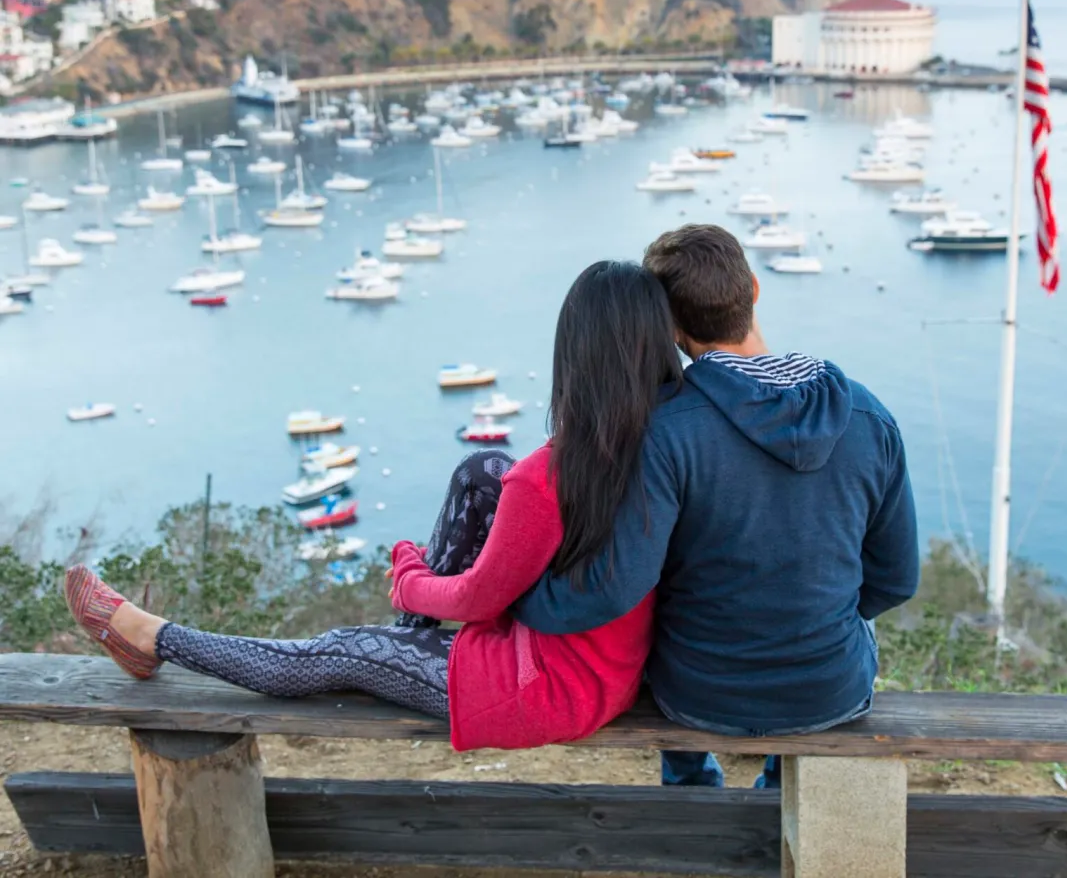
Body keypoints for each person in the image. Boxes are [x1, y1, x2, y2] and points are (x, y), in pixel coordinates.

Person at [65, 260, 682, 753]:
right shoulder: (669, 445)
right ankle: (403, 648)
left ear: (573, 353)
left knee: (331, 653)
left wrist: (411, 583)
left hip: (536, 688)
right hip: (604, 668)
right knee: (479, 471)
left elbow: (478, 601)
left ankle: (150, 635)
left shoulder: (547, 477)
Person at [515, 224, 920, 788]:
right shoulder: (868, 417)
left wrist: (518, 603)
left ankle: (691, 791)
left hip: (699, 694)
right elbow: (896, 579)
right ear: (754, 288)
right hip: (832, 689)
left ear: (671, 329)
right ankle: (779, 786)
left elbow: (612, 588)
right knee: (836, 633)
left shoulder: (664, 431)